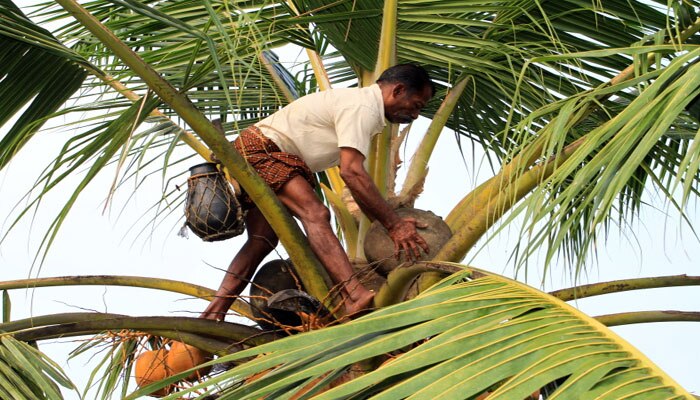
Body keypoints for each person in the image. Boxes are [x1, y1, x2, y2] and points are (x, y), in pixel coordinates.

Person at [200, 64, 436, 321]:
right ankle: (353, 295)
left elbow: (357, 187)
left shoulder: (361, 107)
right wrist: (395, 225)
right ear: (398, 90)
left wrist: (388, 221)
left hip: (257, 153)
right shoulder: (363, 106)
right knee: (316, 213)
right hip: (265, 151)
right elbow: (352, 173)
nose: (414, 115)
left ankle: (214, 312)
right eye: (416, 105)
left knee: (262, 240)